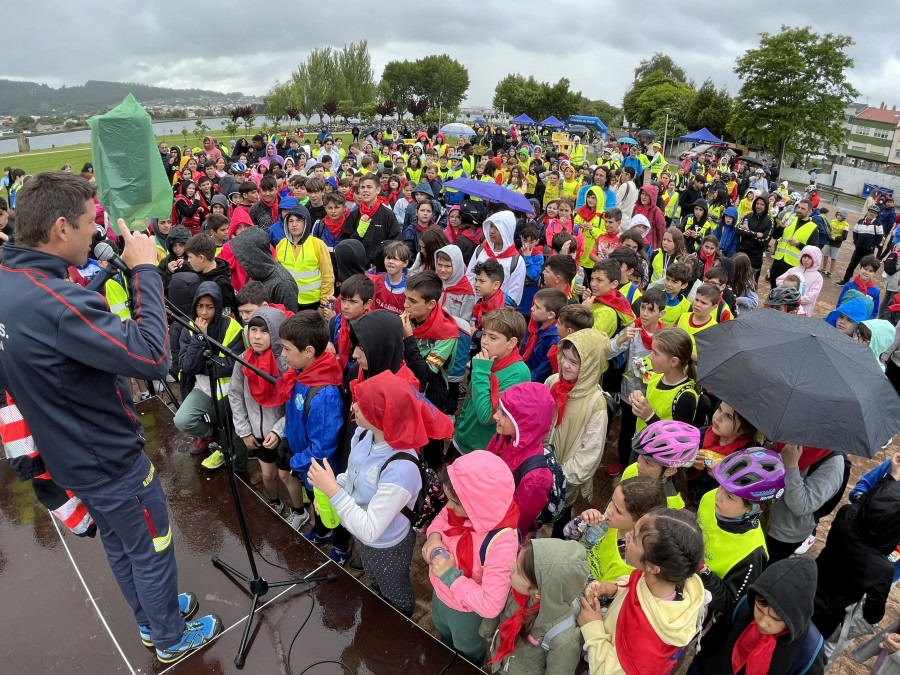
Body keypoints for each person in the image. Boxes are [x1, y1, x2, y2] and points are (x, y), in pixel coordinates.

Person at [0, 172, 221, 663]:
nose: (93, 232)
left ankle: (151, 617)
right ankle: (169, 638)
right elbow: (150, 358)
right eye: (87, 223)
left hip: (71, 457)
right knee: (152, 546)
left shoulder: (10, 281)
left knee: (123, 547)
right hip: (110, 460)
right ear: (60, 228)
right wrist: (143, 269)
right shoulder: (54, 301)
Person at [309, 370, 452, 617]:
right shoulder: (364, 433)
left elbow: (371, 529)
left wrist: (333, 491)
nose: (354, 406)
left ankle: (400, 619)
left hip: (388, 543)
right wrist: (337, 486)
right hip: (362, 532)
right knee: (375, 575)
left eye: (362, 406)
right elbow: (353, 475)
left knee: (394, 588)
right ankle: (379, 593)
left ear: (382, 419)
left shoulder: (401, 468)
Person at [577, 509, 707, 675]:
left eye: (635, 537)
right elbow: (637, 585)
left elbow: (605, 671)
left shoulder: (646, 637)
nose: (628, 535)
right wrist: (616, 589)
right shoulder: (667, 579)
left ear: (653, 567)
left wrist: (592, 626)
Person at [423, 451, 521, 666]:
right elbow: (442, 519)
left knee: (467, 648)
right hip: (441, 593)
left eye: (454, 503)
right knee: (444, 633)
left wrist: (451, 576)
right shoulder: (461, 509)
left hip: (466, 611)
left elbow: (491, 605)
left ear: (478, 505)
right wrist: (434, 537)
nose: (448, 507)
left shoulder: (501, 542)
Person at [229, 307, 308, 529]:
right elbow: (235, 395)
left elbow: (293, 405)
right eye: (253, 330)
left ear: (274, 333)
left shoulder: (285, 363)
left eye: (264, 331)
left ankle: (299, 511)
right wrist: (244, 430)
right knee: (267, 474)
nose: (256, 336)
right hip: (257, 432)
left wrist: (278, 430)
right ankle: (274, 503)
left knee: (286, 475)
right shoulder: (242, 361)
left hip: (282, 433)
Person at [811, 454, 900, 642]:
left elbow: (861, 502)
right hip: (830, 616)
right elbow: (872, 615)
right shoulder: (882, 570)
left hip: (810, 587)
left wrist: (891, 479)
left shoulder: (846, 515)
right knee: (815, 645)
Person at [696, 557, 826, 675]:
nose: (763, 622)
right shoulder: (744, 606)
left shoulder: (809, 649)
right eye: (759, 609)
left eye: (776, 619)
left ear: (795, 618)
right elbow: (712, 642)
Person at [480, 537, 591, 674]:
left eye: (519, 572)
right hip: (502, 662)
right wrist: (488, 632)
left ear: (538, 593)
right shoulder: (516, 591)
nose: (510, 567)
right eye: (516, 561)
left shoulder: (563, 638)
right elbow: (497, 608)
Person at [544, 329, 611, 532]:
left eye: (574, 362)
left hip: (564, 480)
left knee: (560, 523)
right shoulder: (553, 382)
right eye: (564, 357)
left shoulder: (595, 404)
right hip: (540, 471)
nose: (565, 364)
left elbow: (589, 456)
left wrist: (558, 476)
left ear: (590, 367)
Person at [399, 271, 459, 468]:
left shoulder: (447, 332)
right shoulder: (409, 320)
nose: (406, 305)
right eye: (405, 298)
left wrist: (408, 339)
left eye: (412, 301)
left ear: (431, 304)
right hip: (405, 389)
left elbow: (425, 375)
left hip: (432, 394)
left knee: (431, 446)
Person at [453, 307, 530, 456]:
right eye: (484, 334)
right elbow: (470, 397)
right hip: (462, 439)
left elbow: (486, 416)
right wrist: (460, 427)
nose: (485, 341)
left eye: (493, 337)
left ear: (511, 342)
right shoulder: (489, 357)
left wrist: (481, 371)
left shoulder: (519, 373)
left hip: (483, 451)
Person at [487, 382, 556, 535]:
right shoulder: (504, 436)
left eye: (504, 413)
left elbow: (518, 522)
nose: (495, 415)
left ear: (525, 424)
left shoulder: (535, 478)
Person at [610, 287, 667, 473]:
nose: (644, 313)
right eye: (643, 308)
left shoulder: (665, 337)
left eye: (651, 310)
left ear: (662, 313)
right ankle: (623, 461)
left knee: (646, 432)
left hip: (651, 396)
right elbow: (610, 351)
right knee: (626, 429)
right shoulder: (632, 330)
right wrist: (620, 340)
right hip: (629, 393)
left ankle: (641, 466)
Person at [766, 444, 846, 564]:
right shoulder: (792, 438)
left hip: (784, 533)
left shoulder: (833, 464)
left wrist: (792, 466)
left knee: (765, 568)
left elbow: (802, 506)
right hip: (764, 516)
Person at [629, 326, 698, 433]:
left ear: (674, 362)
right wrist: (639, 398)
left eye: (655, 353)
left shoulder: (686, 397)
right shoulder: (657, 375)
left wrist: (649, 417)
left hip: (658, 449)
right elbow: (653, 400)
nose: (650, 357)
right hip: (641, 443)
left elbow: (679, 439)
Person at [624, 420, 700, 509]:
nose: (638, 464)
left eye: (648, 462)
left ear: (670, 471)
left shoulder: (671, 506)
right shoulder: (632, 470)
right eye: (640, 455)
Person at [274, 203, 335, 312]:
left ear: (306, 222)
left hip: (313, 304)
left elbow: (328, 276)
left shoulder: (318, 244)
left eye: (299, 220)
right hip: (288, 303)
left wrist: (323, 304)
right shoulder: (281, 245)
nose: (294, 224)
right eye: (291, 221)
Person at [230, 226, 300, 312]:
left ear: (255, 253)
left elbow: (289, 321)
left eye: (244, 256)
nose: (241, 261)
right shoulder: (254, 271)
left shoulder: (284, 284)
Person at [340, 174, 402, 267]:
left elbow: (396, 242)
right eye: (362, 187)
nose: (365, 190)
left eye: (369, 187)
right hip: (357, 268)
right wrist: (360, 231)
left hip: (380, 269)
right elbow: (345, 244)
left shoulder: (388, 215)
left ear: (378, 190)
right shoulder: (353, 215)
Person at [582, 258, 636, 339]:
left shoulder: (608, 312)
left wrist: (584, 311)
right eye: (592, 279)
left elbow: (586, 339)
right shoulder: (606, 298)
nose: (592, 284)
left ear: (614, 284)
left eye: (599, 280)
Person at [184, 233, 236, 315]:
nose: (189, 261)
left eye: (190, 257)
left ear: (201, 258)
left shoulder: (221, 284)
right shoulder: (197, 271)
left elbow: (227, 314)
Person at [770, 199, 819, 285]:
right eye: (798, 207)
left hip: (793, 266)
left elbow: (813, 252)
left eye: (803, 208)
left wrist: (798, 244)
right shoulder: (790, 219)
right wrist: (781, 227)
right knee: (773, 288)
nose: (799, 210)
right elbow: (775, 236)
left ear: (810, 211)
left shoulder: (813, 228)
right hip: (778, 261)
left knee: (787, 293)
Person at [521, 288, 565, 382]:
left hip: (534, 382)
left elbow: (542, 371)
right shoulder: (536, 323)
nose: (532, 308)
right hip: (524, 369)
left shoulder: (554, 340)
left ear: (550, 315)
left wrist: (523, 381)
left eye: (537, 307)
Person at [436, 243, 476, 322]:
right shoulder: (434, 282)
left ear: (457, 266)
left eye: (447, 266)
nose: (442, 270)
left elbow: (465, 321)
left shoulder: (466, 291)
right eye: (440, 265)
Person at [821, 210, 849, 277]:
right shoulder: (833, 221)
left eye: (840, 215)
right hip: (829, 241)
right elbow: (828, 229)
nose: (839, 216)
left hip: (836, 243)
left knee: (833, 258)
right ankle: (824, 269)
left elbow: (844, 237)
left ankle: (830, 272)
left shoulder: (846, 225)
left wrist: (836, 238)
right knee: (825, 255)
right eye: (838, 215)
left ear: (844, 217)